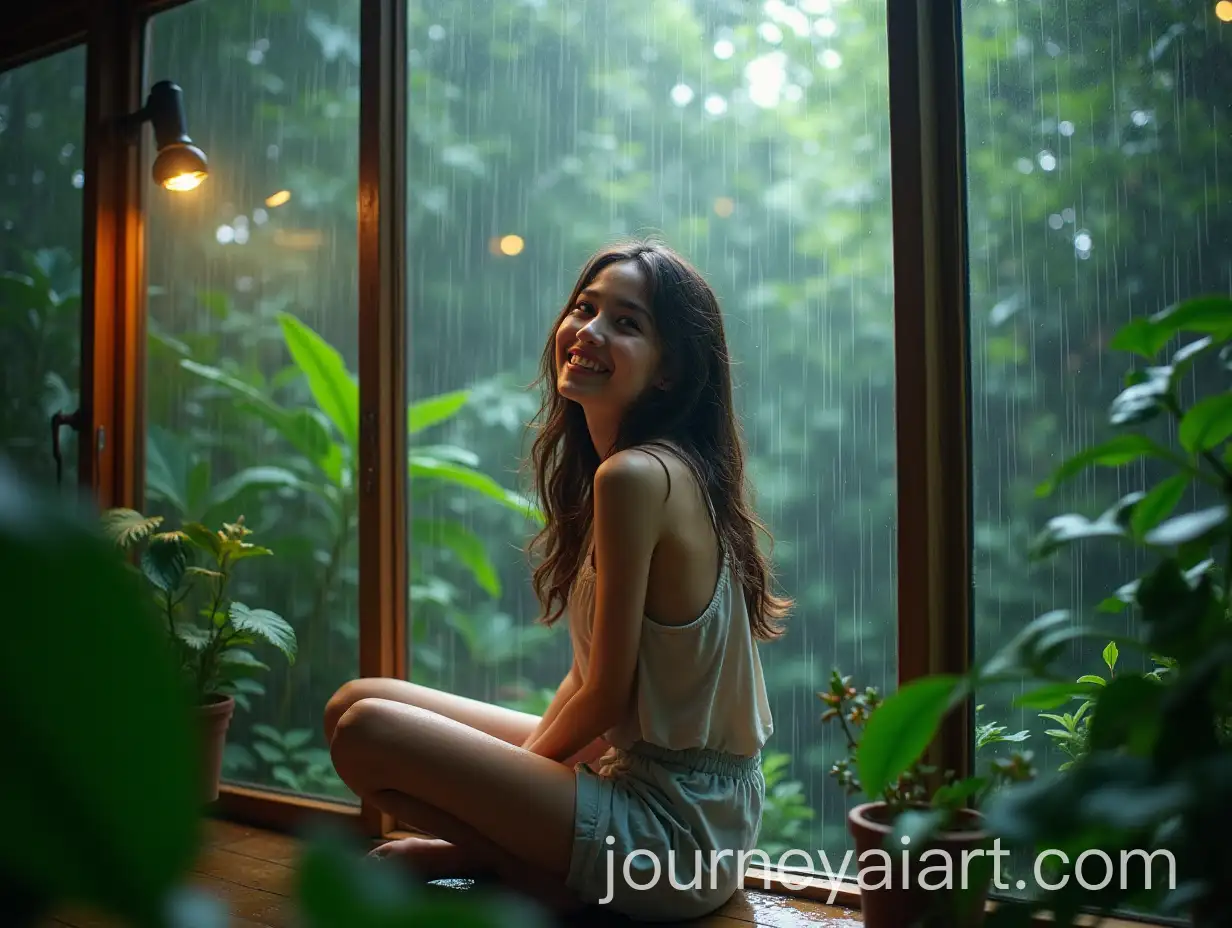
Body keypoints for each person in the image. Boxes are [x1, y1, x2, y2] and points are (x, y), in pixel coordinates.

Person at [324, 240, 791, 921]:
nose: (588, 332)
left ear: (670, 370)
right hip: (663, 791)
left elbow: (605, 698)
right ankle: (506, 858)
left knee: (369, 731)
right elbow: (592, 685)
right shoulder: (651, 469)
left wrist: (504, 789)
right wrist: (513, 784)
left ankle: (505, 866)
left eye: (626, 323)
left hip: (674, 839)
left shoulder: (637, 476)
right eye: (585, 307)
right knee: (355, 702)